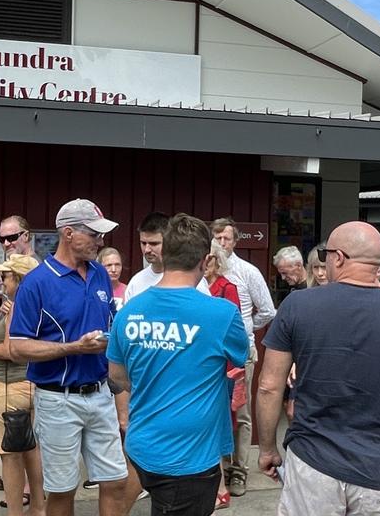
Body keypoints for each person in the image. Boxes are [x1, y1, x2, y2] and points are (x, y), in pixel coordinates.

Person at [257, 221, 380, 516]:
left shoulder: (297, 305)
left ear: (338, 257)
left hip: (313, 463)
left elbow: (269, 386)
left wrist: (267, 449)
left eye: (326, 255)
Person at [108, 214, 247, 516]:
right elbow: (240, 359)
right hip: (189, 456)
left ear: (165, 254)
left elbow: (117, 377)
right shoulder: (222, 314)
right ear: (206, 260)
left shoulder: (129, 311)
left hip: (142, 445)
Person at [8, 198, 127, 516]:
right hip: (57, 400)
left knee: (116, 482)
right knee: (61, 492)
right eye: (95, 234)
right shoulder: (37, 283)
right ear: (69, 232)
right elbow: (18, 347)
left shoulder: (100, 273)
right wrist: (74, 347)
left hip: (101, 394)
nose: (101, 241)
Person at [210, 217, 275, 498]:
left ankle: (239, 470)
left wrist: (246, 328)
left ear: (235, 241)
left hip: (240, 353)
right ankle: (220, 470)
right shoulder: (204, 271)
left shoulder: (246, 272)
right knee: (217, 411)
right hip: (212, 353)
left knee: (241, 411)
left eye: (226, 238)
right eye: (217, 238)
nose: (222, 243)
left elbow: (268, 311)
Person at [0, 253, 47, 516]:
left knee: (9, 455)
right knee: (32, 449)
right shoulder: (34, 304)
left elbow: (10, 350)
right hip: (32, 385)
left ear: (19, 279)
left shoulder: (17, 307)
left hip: (8, 387)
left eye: (5, 276)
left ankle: (14, 513)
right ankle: (39, 507)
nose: (1, 281)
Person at [202, 241, 243, 509]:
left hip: (223, 368)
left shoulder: (227, 288)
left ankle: (221, 486)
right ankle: (217, 486)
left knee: (218, 426)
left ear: (214, 261)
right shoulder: (195, 287)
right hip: (204, 367)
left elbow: (233, 332)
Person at [122, 212, 170, 304]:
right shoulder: (136, 282)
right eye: (143, 243)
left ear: (170, 241)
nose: (147, 249)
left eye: (154, 243)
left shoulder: (190, 280)